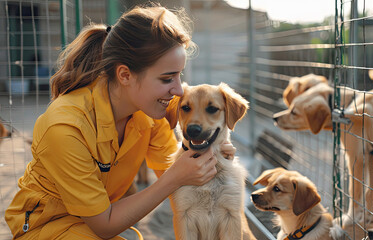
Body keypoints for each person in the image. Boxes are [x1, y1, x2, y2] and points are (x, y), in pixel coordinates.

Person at [5, 4, 235, 239]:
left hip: (98, 221)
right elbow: (106, 224)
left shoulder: (149, 113)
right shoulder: (65, 128)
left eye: (179, 75)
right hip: (47, 227)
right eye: (167, 78)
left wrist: (208, 154)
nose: (178, 90)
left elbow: (179, 172)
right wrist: (175, 177)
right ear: (125, 75)